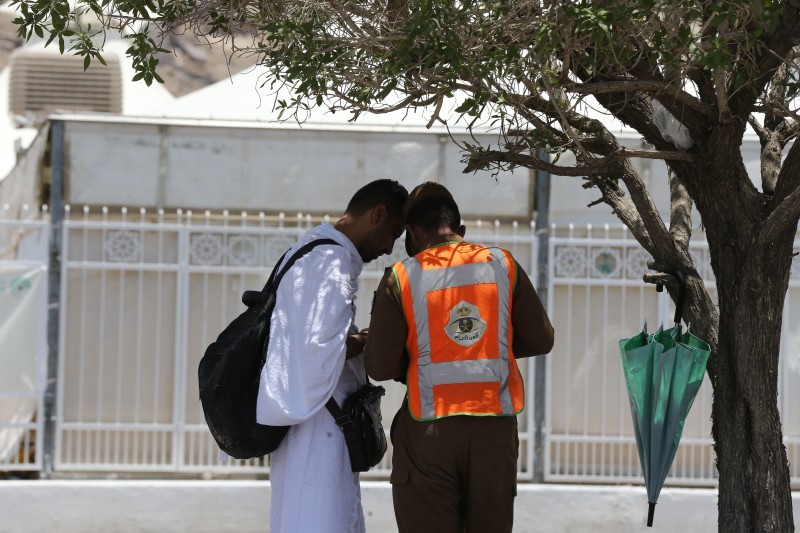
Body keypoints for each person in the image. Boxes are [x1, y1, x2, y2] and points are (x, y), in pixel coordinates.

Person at [364, 181, 554, 533]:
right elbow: (542, 339)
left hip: (429, 433)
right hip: (494, 430)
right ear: (460, 231)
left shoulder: (402, 277)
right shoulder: (502, 265)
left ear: (413, 232)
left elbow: (378, 366)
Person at [256, 178, 408, 533]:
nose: (389, 248)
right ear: (378, 214)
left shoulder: (310, 250)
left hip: (312, 423)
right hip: (320, 428)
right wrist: (370, 338)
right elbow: (319, 352)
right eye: (393, 233)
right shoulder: (331, 262)